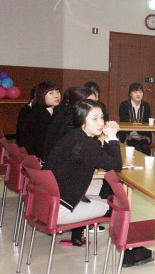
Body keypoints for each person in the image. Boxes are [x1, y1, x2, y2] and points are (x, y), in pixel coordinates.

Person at [43, 100, 122, 245]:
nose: (101, 123)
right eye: (94, 119)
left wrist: (106, 137)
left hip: (44, 205)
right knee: (120, 210)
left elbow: (101, 156)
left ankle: (77, 236)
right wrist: (112, 137)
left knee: (102, 198)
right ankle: (129, 252)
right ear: (81, 120)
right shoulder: (84, 144)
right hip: (59, 210)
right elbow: (116, 166)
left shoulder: (74, 135)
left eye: (102, 118)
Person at [43, 86, 95, 161]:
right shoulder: (72, 120)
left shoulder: (64, 113)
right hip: (59, 163)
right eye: (90, 102)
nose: (95, 106)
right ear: (79, 103)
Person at [21, 81, 61, 159]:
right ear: (41, 96)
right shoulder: (38, 114)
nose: (56, 96)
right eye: (51, 93)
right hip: (38, 157)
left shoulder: (52, 111)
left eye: (58, 92)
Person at [118, 83, 152, 156]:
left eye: (140, 92)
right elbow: (124, 122)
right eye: (135, 92)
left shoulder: (146, 106)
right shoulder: (124, 105)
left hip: (142, 135)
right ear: (130, 94)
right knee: (135, 148)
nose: (138, 94)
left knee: (146, 149)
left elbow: (146, 122)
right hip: (128, 135)